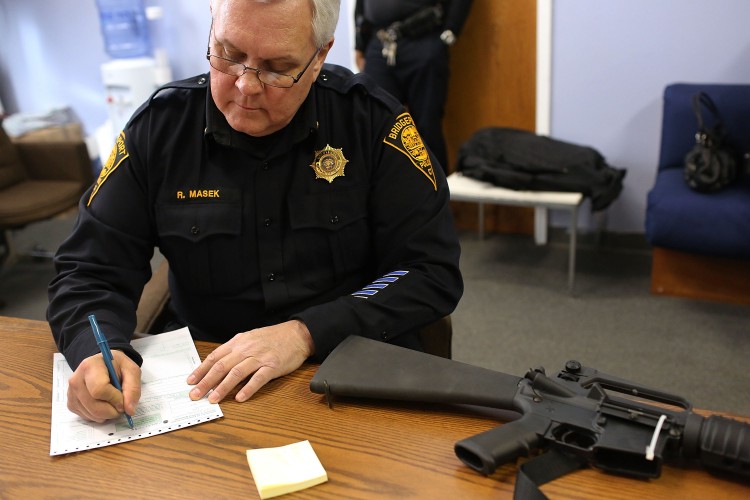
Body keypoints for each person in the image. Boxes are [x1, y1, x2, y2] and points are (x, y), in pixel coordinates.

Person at [48, 0, 463, 425]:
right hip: (208, 384)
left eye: (277, 68)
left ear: (320, 56)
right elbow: (89, 271)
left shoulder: (373, 124)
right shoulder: (160, 129)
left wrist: (306, 333)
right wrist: (97, 349)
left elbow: (430, 270)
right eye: (229, 55)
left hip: (345, 373)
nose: (246, 85)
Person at [354, 0, 474, 172]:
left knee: (427, 129)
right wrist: (360, 43)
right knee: (375, 128)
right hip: (379, 42)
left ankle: (435, 189)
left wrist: (450, 31)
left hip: (423, 39)